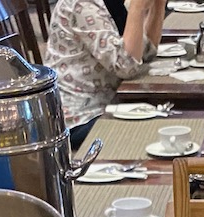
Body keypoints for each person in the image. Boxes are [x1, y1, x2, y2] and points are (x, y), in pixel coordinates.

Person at [46, 0, 165, 148]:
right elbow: (125, 65)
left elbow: (144, 53)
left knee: (166, 117)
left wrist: (159, 5)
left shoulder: (111, 3)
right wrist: (137, 8)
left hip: (108, 103)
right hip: (79, 118)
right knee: (155, 130)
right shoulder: (82, 5)